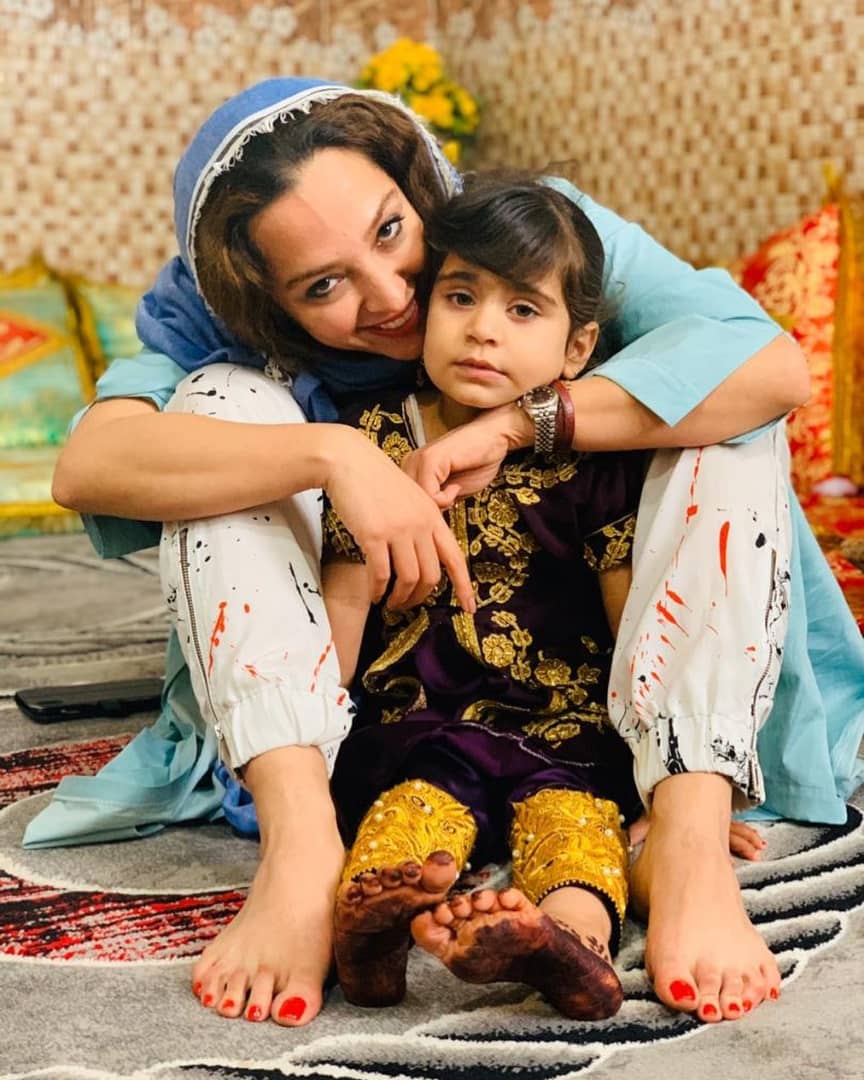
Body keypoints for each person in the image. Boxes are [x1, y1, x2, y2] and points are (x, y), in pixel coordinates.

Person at [30, 77, 861, 1031]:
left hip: (581, 694)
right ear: (270, 300)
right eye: (323, 286)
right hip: (399, 702)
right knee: (217, 402)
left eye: (392, 232)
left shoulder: (528, 232)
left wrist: (522, 423)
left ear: (418, 183)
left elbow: (773, 367)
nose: (392, 297)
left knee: (729, 420)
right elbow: (90, 465)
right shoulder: (215, 310)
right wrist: (337, 454)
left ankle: (687, 829)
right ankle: (303, 848)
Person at [324, 173, 771, 1020]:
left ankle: (564, 943)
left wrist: (669, 798)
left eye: (523, 309)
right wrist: (315, 750)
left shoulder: (594, 458)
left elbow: (639, 634)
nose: (483, 329)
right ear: (426, 307)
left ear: (577, 349)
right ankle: (372, 936)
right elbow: (341, 615)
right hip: (422, 725)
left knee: (577, 837)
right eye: (460, 297)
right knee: (407, 826)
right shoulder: (374, 444)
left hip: (566, 734)